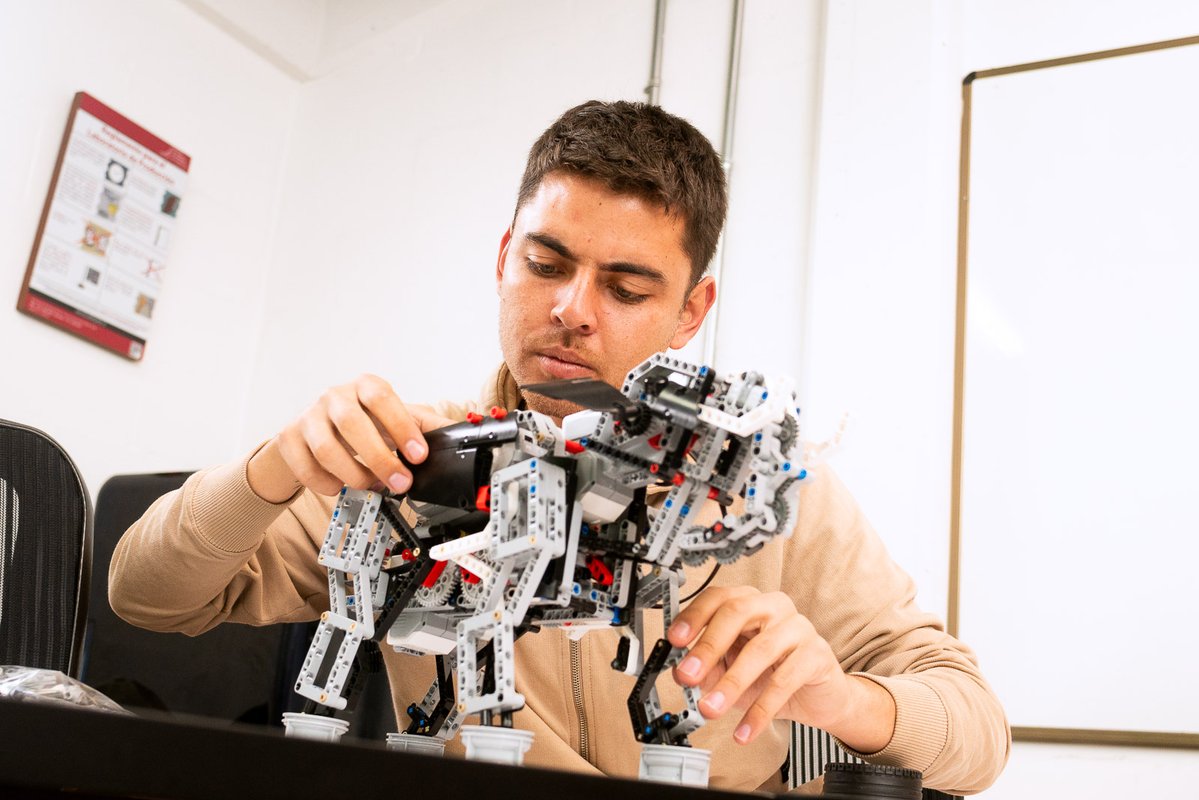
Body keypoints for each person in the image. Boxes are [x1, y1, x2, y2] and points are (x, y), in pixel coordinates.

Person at [109, 100, 1009, 794]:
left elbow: (976, 732)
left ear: (690, 312)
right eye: (545, 265)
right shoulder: (414, 460)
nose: (571, 310)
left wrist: (843, 701)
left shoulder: (767, 493)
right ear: (505, 256)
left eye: (625, 289)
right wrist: (273, 468)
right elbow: (144, 595)